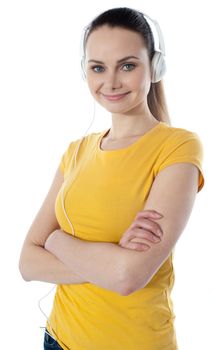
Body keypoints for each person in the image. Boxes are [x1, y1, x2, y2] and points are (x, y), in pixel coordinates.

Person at [18, 6, 205, 350]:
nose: (111, 82)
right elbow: (27, 263)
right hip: (57, 339)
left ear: (155, 66)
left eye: (128, 65)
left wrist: (57, 240)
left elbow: (127, 277)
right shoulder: (76, 151)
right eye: (98, 68)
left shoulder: (178, 147)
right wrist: (110, 261)